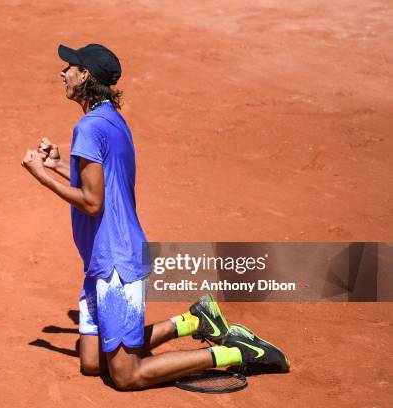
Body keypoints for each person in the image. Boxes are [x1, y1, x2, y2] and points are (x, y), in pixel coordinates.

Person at [21, 43, 290, 390]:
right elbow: (107, 183)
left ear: (85, 75)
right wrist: (58, 164)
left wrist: (39, 174)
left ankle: (235, 353)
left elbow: (92, 203)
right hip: (101, 260)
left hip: (117, 263)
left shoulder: (88, 128)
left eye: (69, 67)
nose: (63, 72)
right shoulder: (111, 120)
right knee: (91, 362)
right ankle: (194, 321)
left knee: (125, 374)